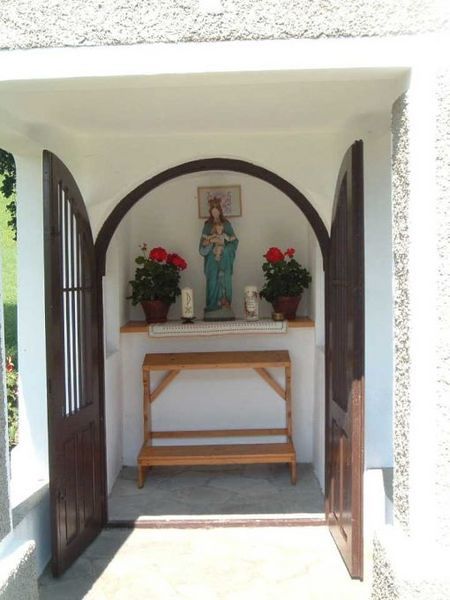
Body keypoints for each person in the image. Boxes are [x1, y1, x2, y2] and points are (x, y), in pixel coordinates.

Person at [199, 197, 238, 320]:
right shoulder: (207, 226)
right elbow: (202, 247)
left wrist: (225, 250)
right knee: (212, 282)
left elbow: (234, 241)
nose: (215, 213)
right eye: (213, 211)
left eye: (217, 210)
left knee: (225, 282)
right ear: (210, 212)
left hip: (225, 259)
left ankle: (225, 305)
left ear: (220, 211)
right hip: (212, 260)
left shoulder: (226, 225)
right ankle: (212, 307)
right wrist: (211, 242)